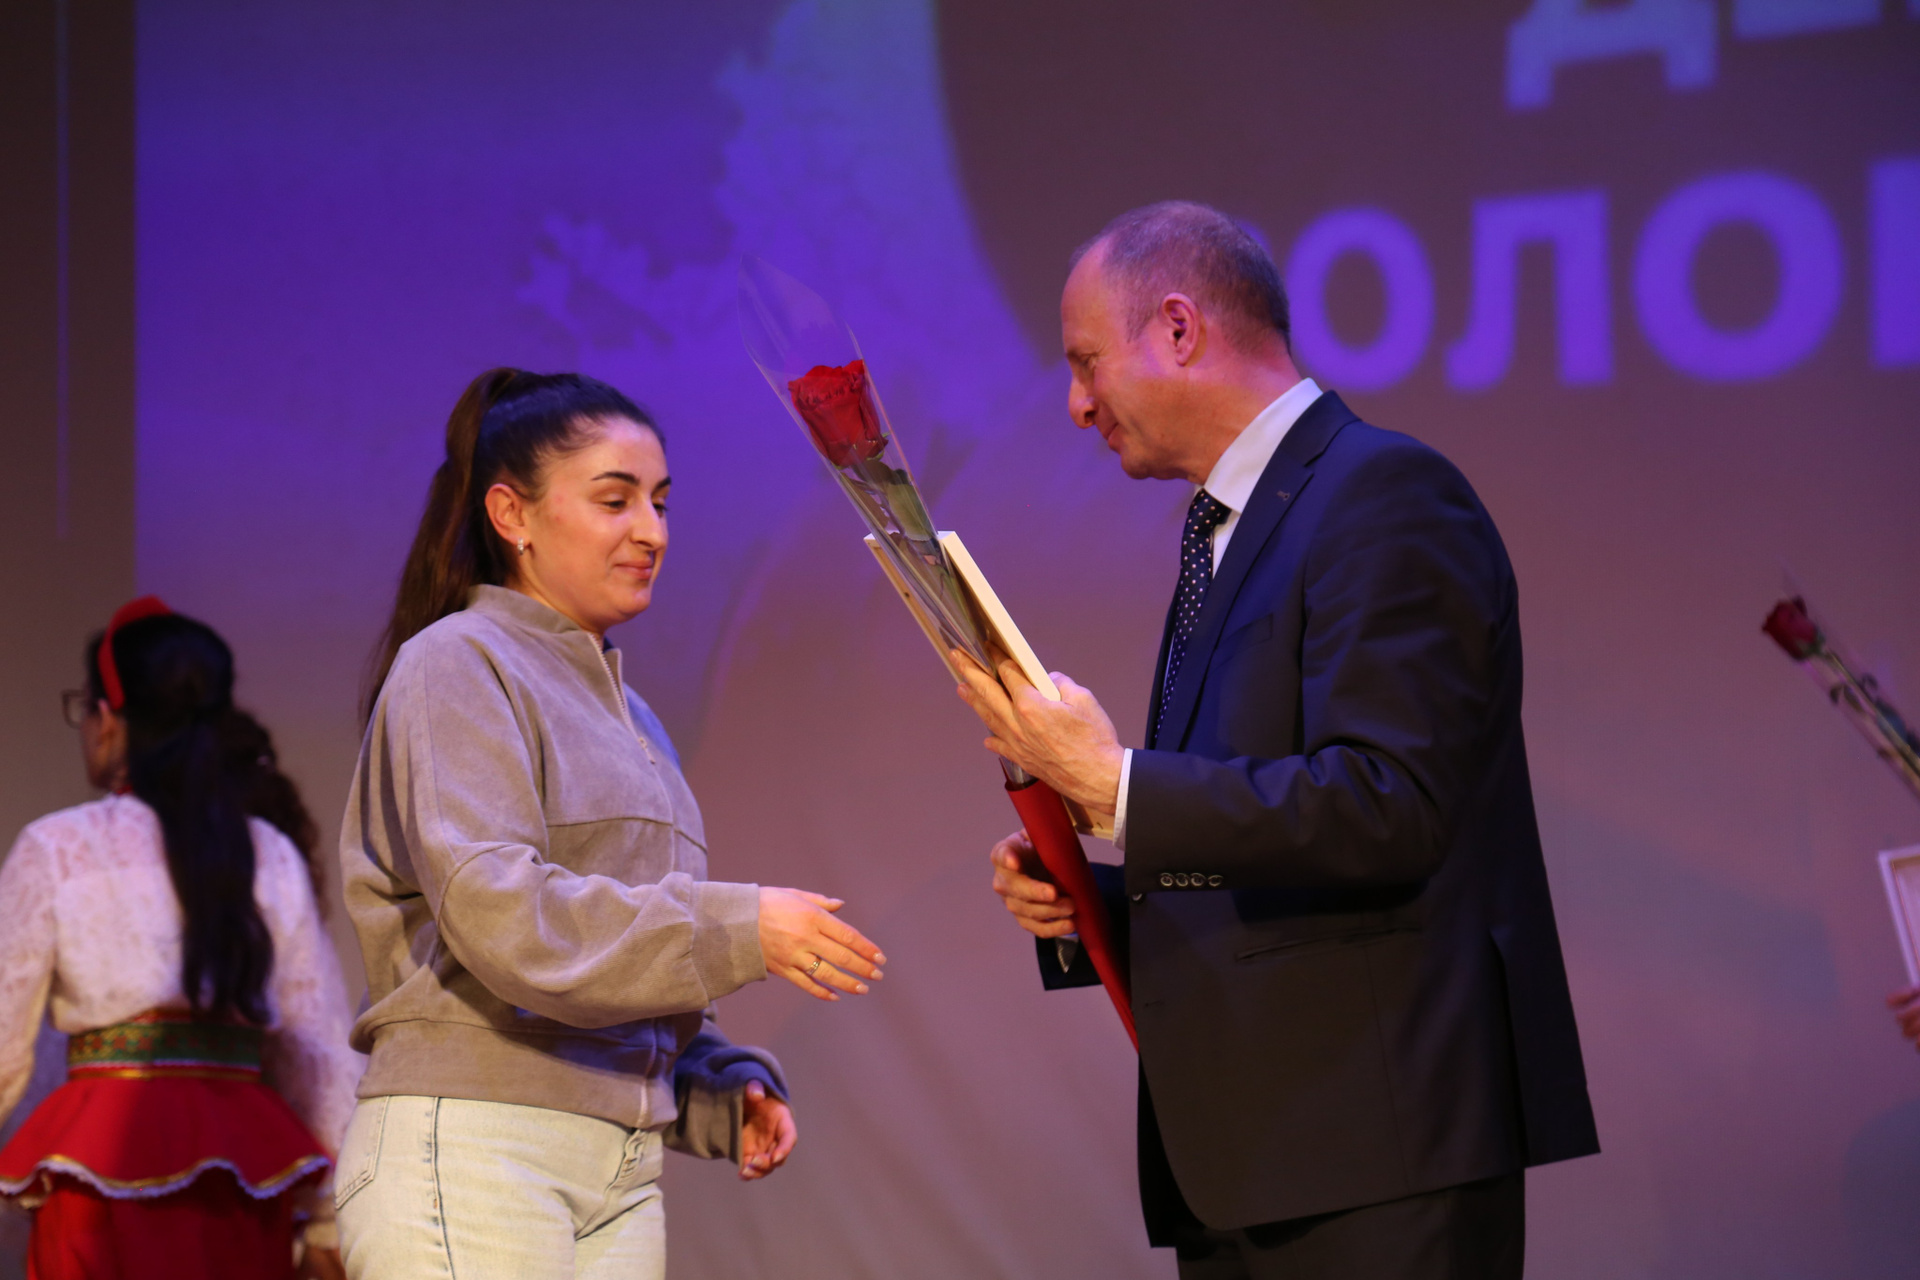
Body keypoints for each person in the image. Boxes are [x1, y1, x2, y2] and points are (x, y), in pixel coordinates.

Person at [954, 202, 1600, 1279]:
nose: (1075, 404)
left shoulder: (1381, 494)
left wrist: (1117, 789)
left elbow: (1390, 805)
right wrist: (1093, 899)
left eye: (1084, 363)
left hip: (1377, 1154)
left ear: (1177, 328)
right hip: (1256, 1160)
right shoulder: (1226, 528)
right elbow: (1276, 844)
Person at [336, 369, 886, 1279]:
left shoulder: (639, 723)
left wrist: (713, 1084)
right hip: (476, 1147)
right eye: (615, 499)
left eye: (661, 503)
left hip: (618, 1172)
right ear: (511, 515)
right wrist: (738, 927)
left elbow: (613, 967)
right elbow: (506, 920)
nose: (653, 531)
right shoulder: (458, 663)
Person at [0, 600, 361, 1280]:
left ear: (109, 719)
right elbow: (316, 1054)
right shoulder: (267, 853)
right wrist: (330, 1217)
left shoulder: (57, 847)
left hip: (101, 1168)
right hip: (239, 1176)